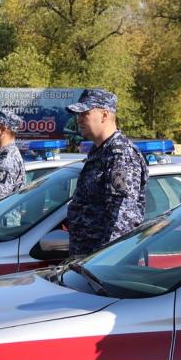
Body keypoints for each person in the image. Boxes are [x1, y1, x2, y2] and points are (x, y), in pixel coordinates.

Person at [65, 88, 148, 257]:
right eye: (78, 115)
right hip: (87, 260)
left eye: (84, 114)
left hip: (103, 265)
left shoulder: (121, 154)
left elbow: (121, 218)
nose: (78, 120)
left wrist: (103, 263)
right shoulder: (100, 151)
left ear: (104, 115)